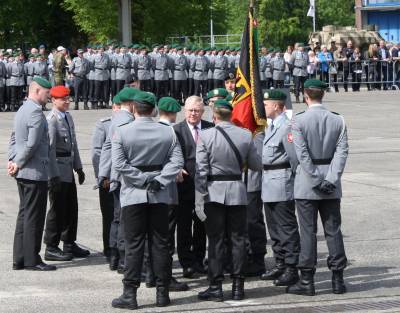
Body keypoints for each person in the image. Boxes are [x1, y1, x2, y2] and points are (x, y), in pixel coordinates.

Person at [111, 91, 184, 310]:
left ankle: (130, 294)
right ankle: (163, 293)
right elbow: (177, 161)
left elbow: (119, 164)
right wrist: (159, 180)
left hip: (133, 194)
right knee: (160, 243)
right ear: (153, 110)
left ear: (133, 108)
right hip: (158, 194)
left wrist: (142, 179)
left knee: (134, 245)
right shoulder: (167, 132)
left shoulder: (122, 132)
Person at [195, 99, 262, 302]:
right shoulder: (244, 135)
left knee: (215, 241)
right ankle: (237, 286)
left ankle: (215, 286)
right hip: (237, 191)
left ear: (214, 116)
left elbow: (201, 171)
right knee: (238, 239)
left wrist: (199, 198)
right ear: (231, 116)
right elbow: (257, 165)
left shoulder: (206, 136)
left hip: (213, 193)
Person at [286, 79, 348, 296]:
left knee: (308, 232)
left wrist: (314, 179)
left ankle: (307, 281)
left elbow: (301, 155)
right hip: (331, 183)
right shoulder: (338, 119)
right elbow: (342, 153)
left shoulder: (299, 120)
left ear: (305, 96)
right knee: (333, 231)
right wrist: (330, 179)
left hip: (307, 184)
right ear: (322, 95)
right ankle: (338, 279)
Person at [8, 77, 54, 271]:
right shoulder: (35, 112)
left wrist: (12, 161)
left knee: (24, 215)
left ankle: (19, 258)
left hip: (22, 170)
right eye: (46, 93)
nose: (49, 97)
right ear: (36, 91)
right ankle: (31, 259)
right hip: (33, 171)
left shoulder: (22, 109)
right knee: (34, 217)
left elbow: (13, 139)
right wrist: (17, 162)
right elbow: (32, 144)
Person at [147, 96, 189, 292]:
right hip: (168, 190)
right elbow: (176, 161)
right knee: (166, 237)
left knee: (153, 234)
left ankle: (150, 274)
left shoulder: (152, 129)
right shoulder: (170, 132)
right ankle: (166, 277)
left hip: (150, 188)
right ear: (173, 113)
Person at [43, 85, 88, 261]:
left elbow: (73, 145)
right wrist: (52, 175)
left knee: (71, 208)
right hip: (58, 172)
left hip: (68, 170)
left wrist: (79, 167)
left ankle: (69, 242)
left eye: (68, 98)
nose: (67, 101)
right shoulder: (52, 120)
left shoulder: (67, 117)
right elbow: (50, 149)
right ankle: (51, 246)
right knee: (57, 210)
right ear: (53, 100)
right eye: (63, 99)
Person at [259, 90, 300, 287]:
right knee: (273, 226)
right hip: (268, 181)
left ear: (276, 106)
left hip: (282, 181)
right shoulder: (272, 125)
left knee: (286, 227)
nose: (263, 107)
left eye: (266, 104)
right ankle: (280, 263)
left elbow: (294, 157)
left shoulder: (286, 126)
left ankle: (292, 267)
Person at [173, 96, 213, 278]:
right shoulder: (176, 130)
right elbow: (171, 154)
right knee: (183, 226)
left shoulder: (210, 128)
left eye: (197, 110)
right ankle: (186, 263)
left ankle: (198, 260)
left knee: (202, 224)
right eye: (190, 110)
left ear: (203, 112)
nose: (193, 114)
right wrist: (177, 168)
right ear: (185, 110)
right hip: (184, 186)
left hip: (204, 185)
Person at [98, 87, 137, 272]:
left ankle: (114, 256)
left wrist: (104, 174)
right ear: (131, 104)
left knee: (116, 218)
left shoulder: (114, 121)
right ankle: (122, 259)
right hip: (126, 177)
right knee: (125, 219)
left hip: (115, 175)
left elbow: (106, 148)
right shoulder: (128, 121)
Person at [91, 95, 122, 259]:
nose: (119, 109)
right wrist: (101, 177)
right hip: (108, 179)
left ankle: (121, 248)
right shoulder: (104, 125)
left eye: (121, 106)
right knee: (109, 215)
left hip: (123, 179)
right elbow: (97, 153)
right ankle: (109, 248)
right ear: (113, 107)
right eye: (116, 106)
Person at [92, 45, 111, 109]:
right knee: (97, 90)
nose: (101, 50)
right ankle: (95, 103)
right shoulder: (94, 56)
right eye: (100, 49)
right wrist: (96, 70)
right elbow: (92, 65)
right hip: (97, 73)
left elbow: (108, 64)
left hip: (105, 74)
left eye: (102, 49)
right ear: (98, 50)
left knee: (105, 90)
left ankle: (105, 103)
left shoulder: (106, 56)